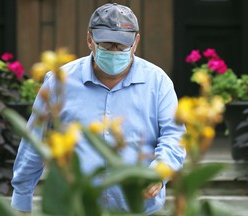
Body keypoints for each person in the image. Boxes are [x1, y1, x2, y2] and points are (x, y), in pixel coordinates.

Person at [11, 3, 186, 215]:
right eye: (107, 44)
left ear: (136, 42)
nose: (114, 51)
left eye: (121, 46)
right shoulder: (60, 82)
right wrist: (22, 198)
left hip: (139, 208)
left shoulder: (158, 82)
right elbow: (34, 141)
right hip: (75, 207)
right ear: (90, 40)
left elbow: (174, 136)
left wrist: (158, 172)